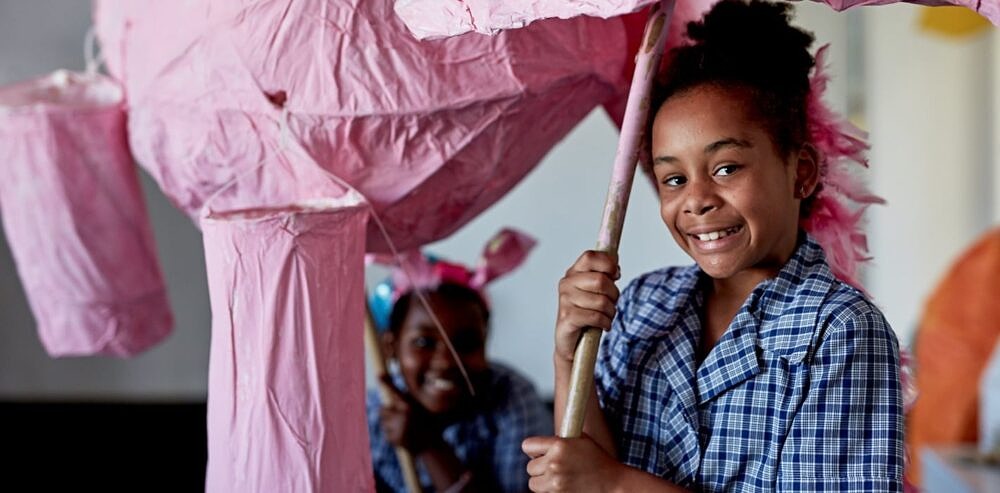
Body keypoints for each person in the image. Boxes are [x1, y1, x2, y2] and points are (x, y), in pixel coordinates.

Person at [521, 1, 904, 491]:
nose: (697, 200)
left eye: (726, 168)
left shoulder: (841, 332)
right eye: (674, 178)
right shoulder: (640, 305)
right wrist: (570, 357)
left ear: (801, 171)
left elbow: (600, 480)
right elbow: (582, 471)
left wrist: (616, 484)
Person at [367, 228, 552, 493]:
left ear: (486, 341)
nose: (445, 362)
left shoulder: (513, 400)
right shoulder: (371, 416)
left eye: (466, 343)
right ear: (390, 347)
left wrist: (429, 445)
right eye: (423, 343)